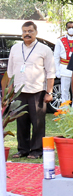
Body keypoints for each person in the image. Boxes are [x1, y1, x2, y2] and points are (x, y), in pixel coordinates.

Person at [4, 21, 55, 159]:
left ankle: (37, 151)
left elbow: (51, 72)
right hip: (19, 92)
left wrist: (49, 92)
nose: (27, 34)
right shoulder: (15, 48)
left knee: (38, 123)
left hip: (37, 92)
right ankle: (23, 149)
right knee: (21, 122)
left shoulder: (44, 49)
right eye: (24, 31)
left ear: (36, 32)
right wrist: (9, 93)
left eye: (30, 31)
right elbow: (10, 72)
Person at [52, 21, 73, 104]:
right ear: (66, 29)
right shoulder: (60, 40)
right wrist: (57, 70)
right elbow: (56, 56)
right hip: (64, 68)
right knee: (64, 90)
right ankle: (65, 108)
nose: (71, 29)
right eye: (69, 27)